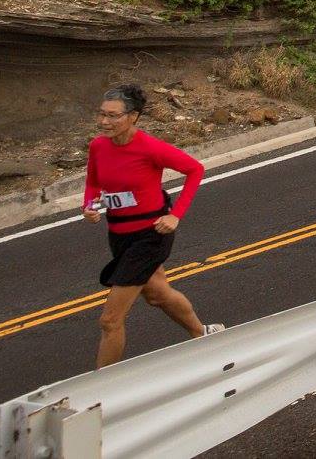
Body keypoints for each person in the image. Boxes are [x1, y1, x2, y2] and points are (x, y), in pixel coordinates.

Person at [84, 84, 219, 366]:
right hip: (118, 235)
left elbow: (195, 170)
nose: (104, 122)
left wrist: (175, 215)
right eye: (102, 115)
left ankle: (102, 389)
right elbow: (94, 182)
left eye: (113, 116)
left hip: (150, 234)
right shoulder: (98, 146)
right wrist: (90, 205)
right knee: (157, 294)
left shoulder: (149, 148)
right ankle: (202, 332)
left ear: (133, 116)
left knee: (110, 320)